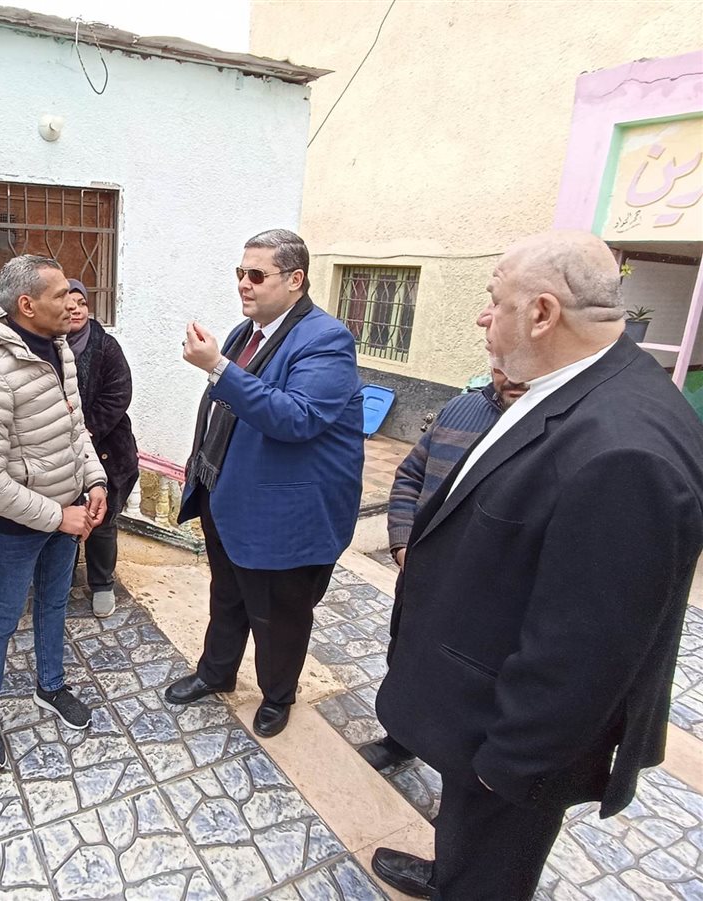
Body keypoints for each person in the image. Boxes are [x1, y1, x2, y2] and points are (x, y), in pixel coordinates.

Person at [372, 230, 703, 900]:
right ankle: (450, 874)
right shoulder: (571, 388)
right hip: (480, 702)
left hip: (515, 733)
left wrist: (512, 759)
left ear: (543, 313)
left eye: (495, 300)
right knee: (469, 835)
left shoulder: (625, 449)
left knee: (496, 861)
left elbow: (589, 648)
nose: (483, 317)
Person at [164, 228, 364, 738]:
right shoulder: (245, 333)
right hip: (227, 495)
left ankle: (278, 695)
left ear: (295, 279)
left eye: (256, 274)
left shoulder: (326, 340)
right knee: (227, 595)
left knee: (278, 616)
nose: (243, 284)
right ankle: (217, 672)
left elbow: (298, 418)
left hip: (281, 515)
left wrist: (217, 367)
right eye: (240, 272)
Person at [0, 255, 107, 771]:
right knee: (2, 618)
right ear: (27, 304)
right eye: (61, 294)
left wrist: (94, 480)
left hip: (68, 513)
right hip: (20, 526)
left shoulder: (58, 349)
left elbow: (75, 429)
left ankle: (51, 686)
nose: (74, 303)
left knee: (54, 604)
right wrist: (58, 517)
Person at [359, 367, 527, 771]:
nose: (511, 378)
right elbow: (409, 476)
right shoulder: (459, 410)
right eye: (501, 365)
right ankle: (401, 739)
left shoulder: (554, 428)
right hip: (422, 581)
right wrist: (403, 544)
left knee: (469, 690)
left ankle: (462, 775)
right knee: (408, 660)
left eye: (523, 366)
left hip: (489, 599)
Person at [65, 278, 139, 617]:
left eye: (81, 303)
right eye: (68, 304)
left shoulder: (106, 346)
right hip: (60, 449)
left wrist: (88, 429)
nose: (76, 310)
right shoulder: (47, 347)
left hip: (107, 447)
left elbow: (119, 393)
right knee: (64, 517)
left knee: (102, 519)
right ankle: (61, 580)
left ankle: (102, 584)